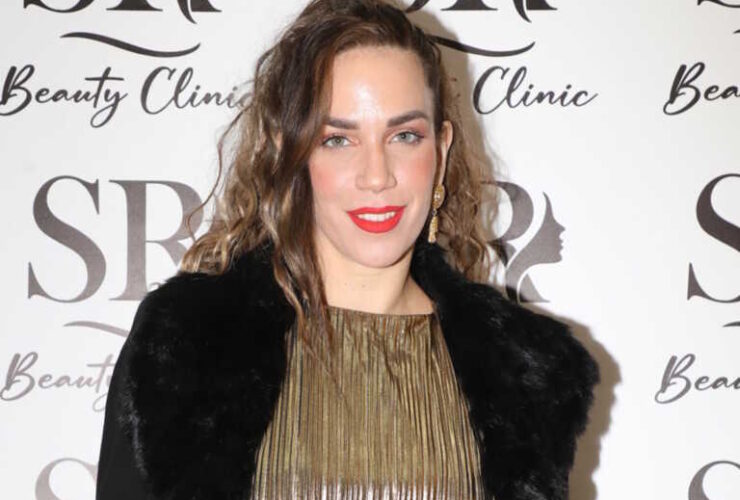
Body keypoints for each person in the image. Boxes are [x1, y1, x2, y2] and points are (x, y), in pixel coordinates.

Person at [95, 0, 600, 499]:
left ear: (441, 151)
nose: (376, 176)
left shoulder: (526, 377)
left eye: (405, 136)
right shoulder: (188, 346)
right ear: (290, 153)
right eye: (338, 139)